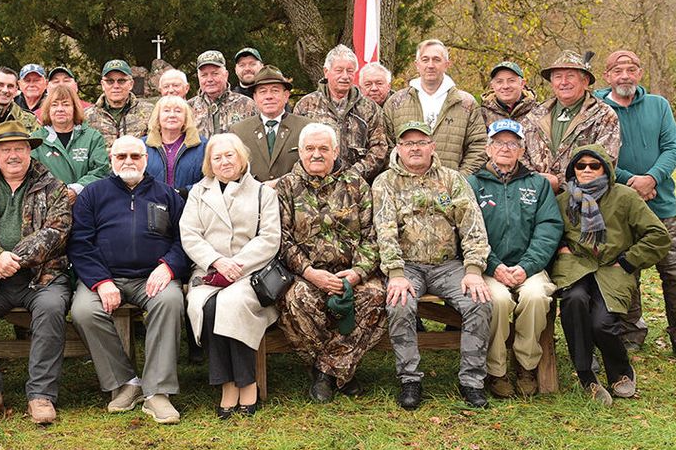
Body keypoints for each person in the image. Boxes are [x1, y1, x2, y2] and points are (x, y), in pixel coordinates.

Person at [598, 49, 676, 365]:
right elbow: (595, 154)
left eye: (631, 69)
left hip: (660, 204)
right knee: (625, 269)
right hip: (619, 205)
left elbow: (672, 147)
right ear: (607, 75)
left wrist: (651, 178)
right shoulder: (597, 108)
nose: (625, 75)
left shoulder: (658, 106)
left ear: (639, 73)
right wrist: (629, 182)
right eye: (617, 70)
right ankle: (630, 334)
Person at [0, 121, 73, 427]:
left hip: (41, 276)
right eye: (5, 149)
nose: (12, 155)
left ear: (29, 151)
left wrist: (17, 259)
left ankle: (40, 394)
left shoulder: (53, 186)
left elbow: (56, 231)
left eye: (19, 149)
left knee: (50, 309)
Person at [69, 136, 188, 424]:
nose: (128, 162)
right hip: (105, 277)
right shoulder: (92, 195)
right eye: (121, 156)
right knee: (83, 311)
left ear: (146, 160)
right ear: (111, 160)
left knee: (171, 301)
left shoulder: (167, 195)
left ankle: (157, 392)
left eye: (135, 156)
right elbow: (80, 243)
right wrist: (101, 281)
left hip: (153, 277)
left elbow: (185, 239)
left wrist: (169, 267)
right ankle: (126, 383)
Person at [374, 122, 492, 410]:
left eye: (421, 142)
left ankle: (472, 381)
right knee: (399, 303)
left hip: (448, 266)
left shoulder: (452, 180)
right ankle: (410, 379)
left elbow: (473, 224)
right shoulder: (385, 182)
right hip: (407, 267)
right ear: (398, 149)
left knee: (479, 301)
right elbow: (384, 229)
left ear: (432, 146)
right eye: (408, 143)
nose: (415, 148)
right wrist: (396, 274)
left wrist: (474, 270)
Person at [275, 123, 387, 401]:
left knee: (376, 297)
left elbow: (373, 235)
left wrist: (358, 273)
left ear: (335, 151)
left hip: (351, 271)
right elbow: (281, 239)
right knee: (296, 300)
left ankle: (325, 374)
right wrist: (310, 273)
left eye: (323, 148)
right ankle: (342, 371)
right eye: (310, 149)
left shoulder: (356, 184)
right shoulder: (286, 186)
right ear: (299, 152)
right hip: (306, 273)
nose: (316, 154)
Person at [552, 145, 670, 404]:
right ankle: (586, 376)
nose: (586, 170)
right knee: (574, 302)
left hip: (612, 269)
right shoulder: (563, 200)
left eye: (594, 165)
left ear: (605, 168)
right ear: (572, 169)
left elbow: (659, 235)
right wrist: (560, 248)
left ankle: (620, 371)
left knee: (602, 323)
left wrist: (629, 261)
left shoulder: (625, 197)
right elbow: (548, 230)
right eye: (580, 165)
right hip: (576, 267)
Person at [180, 133, 281, 418]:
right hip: (210, 272)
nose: (224, 161)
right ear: (209, 163)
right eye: (217, 157)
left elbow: (270, 238)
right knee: (205, 305)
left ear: (242, 158)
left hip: (250, 273)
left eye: (230, 155)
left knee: (232, 305)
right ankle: (227, 383)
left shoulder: (263, 193)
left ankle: (246, 382)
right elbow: (190, 234)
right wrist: (217, 261)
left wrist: (237, 264)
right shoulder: (199, 193)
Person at [468, 120, 562, 398]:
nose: (505, 149)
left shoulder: (538, 185)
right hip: (489, 266)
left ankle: (527, 365)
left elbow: (549, 228)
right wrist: (494, 266)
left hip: (529, 266)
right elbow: (468, 231)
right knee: (495, 300)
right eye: (498, 143)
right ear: (488, 148)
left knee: (536, 297)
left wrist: (527, 266)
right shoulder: (472, 184)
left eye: (512, 144)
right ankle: (496, 371)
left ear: (522, 150)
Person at [521, 50, 621, 193]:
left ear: (585, 81)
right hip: (537, 198)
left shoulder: (604, 116)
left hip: (583, 202)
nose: (563, 82)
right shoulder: (535, 115)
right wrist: (537, 181)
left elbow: (605, 163)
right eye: (558, 77)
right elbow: (519, 153)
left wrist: (560, 183)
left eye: (570, 76)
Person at [383, 39, 486, 176]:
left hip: (450, 191)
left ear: (447, 64)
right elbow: (386, 145)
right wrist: (400, 177)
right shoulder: (396, 102)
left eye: (436, 59)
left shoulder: (466, 103)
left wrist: (460, 180)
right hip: (404, 190)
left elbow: (478, 146)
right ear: (417, 64)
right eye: (425, 59)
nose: (430, 65)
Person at [293, 45, 389, 183]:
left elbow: (379, 147)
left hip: (358, 186)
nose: (345, 76)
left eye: (350, 71)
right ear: (326, 71)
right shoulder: (306, 105)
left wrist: (354, 174)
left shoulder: (369, 107)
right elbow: (297, 148)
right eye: (339, 70)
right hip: (314, 185)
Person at [229, 66, 315, 185]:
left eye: (275, 90)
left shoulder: (307, 128)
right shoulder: (238, 131)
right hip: (254, 200)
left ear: (286, 96)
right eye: (262, 91)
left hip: (296, 199)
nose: (268, 96)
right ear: (255, 97)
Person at [31, 84, 109, 198]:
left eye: (66, 104)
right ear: (48, 109)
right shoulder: (36, 140)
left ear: (75, 108)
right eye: (54, 105)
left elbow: (101, 171)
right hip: (48, 206)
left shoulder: (93, 137)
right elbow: (31, 176)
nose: (60, 109)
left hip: (86, 203)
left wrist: (77, 189)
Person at [144, 95, 207, 198]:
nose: (172, 115)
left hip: (189, 206)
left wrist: (183, 192)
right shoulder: (142, 145)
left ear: (186, 118)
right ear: (158, 116)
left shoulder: (202, 146)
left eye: (178, 111)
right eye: (166, 111)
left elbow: (209, 180)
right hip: (150, 207)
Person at [85, 59, 155, 150]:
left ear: (131, 84)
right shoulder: (86, 116)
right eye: (110, 81)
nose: (116, 86)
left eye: (121, 81)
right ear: (102, 84)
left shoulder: (149, 112)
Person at [186, 50, 256, 138]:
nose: (209, 79)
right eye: (204, 75)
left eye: (215, 74)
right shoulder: (188, 108)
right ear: (199, 78)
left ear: (226, 75)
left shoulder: (247, 105)